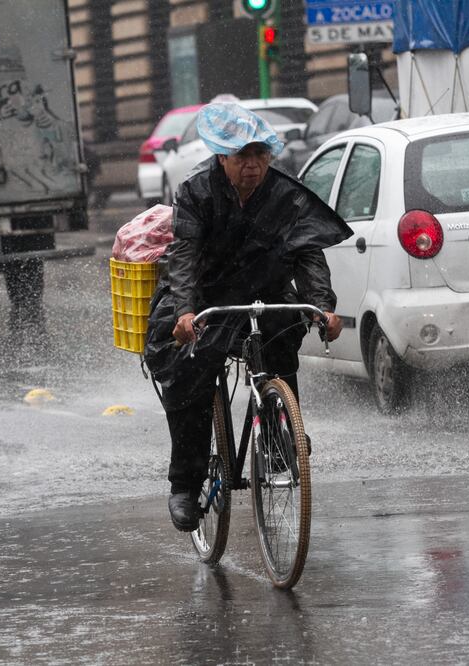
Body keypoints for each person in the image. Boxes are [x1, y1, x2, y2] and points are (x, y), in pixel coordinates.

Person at [142, 102, 352, 532]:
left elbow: (308, 253)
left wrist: (323, 306)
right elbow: (183, 258)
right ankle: (185, 482)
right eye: (243, 158)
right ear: (223, 157)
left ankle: (282, 439)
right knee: (189, 374)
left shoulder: (286, 195)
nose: (253, 166)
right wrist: (184, 311)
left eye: (260, 156)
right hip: (205, 295)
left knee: (283, 334)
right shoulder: (197, 190)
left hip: (263, 291)